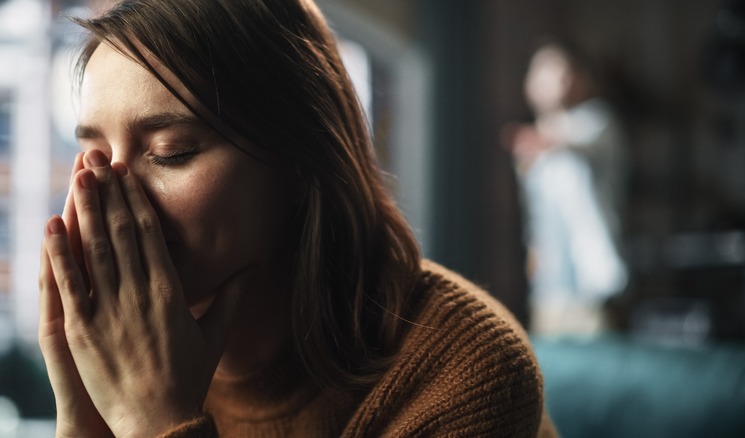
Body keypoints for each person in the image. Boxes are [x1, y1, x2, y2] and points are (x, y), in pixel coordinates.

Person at [37, 1, 555, 436]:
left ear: (300, 161)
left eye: (171, 151)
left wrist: (155, 419)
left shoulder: (464, 374)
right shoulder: (114, 354)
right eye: (95, 158)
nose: (113, 200)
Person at [505, 41, 628, 335]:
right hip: (548, 287)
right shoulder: (532, 146)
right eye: (546, 71)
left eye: (565, 71)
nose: (559, 79)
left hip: (592, 285)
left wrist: (541, 140)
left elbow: (572, 140)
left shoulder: (597, 122)